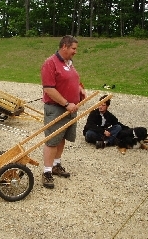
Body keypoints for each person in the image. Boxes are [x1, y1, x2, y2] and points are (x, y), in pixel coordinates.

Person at [41, 35, 86, 189]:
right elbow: (48, 88)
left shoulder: (69, 63)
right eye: (74, 48)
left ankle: (56, 165)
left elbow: (73, 79)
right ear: (64, 46)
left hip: (71, 108)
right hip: (57, 108)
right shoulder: (50, 63)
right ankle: (47, 172)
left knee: (62, 139)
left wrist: (80, 89)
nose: (75, 51)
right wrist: (66, 103)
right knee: (52, 140)